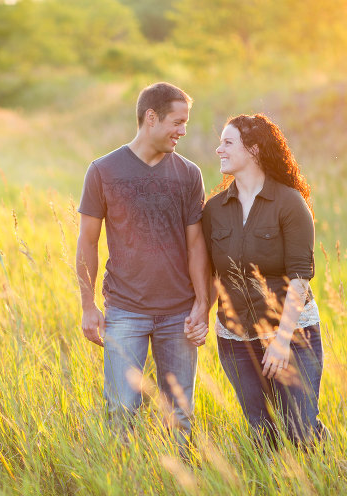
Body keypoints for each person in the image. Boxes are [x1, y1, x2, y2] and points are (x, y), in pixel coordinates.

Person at [75, 82, 210, 447]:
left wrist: (202, 304)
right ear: (151, 118)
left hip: (178, 314)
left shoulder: (188, 175)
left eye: (185, 123)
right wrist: (89, 306)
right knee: (121, 410)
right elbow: (88, 241)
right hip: (125, 311)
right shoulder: (103, 171)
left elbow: (197, 245)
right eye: (177, 122)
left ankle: (178, 489)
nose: (183, 131)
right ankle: (124, 490)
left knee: (179, 415)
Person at [203, 114, 329, 449]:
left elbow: (300, 276)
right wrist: (199, 316)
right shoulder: (214, 209)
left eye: (228, 142)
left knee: (299, 429)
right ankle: (270, 490)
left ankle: (325, 474)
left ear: (255, 150)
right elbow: (213, 275)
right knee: (262, 432)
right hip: (235, 338)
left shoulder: (289, 203)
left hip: (291, 333)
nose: (219, 149)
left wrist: (281, 340)